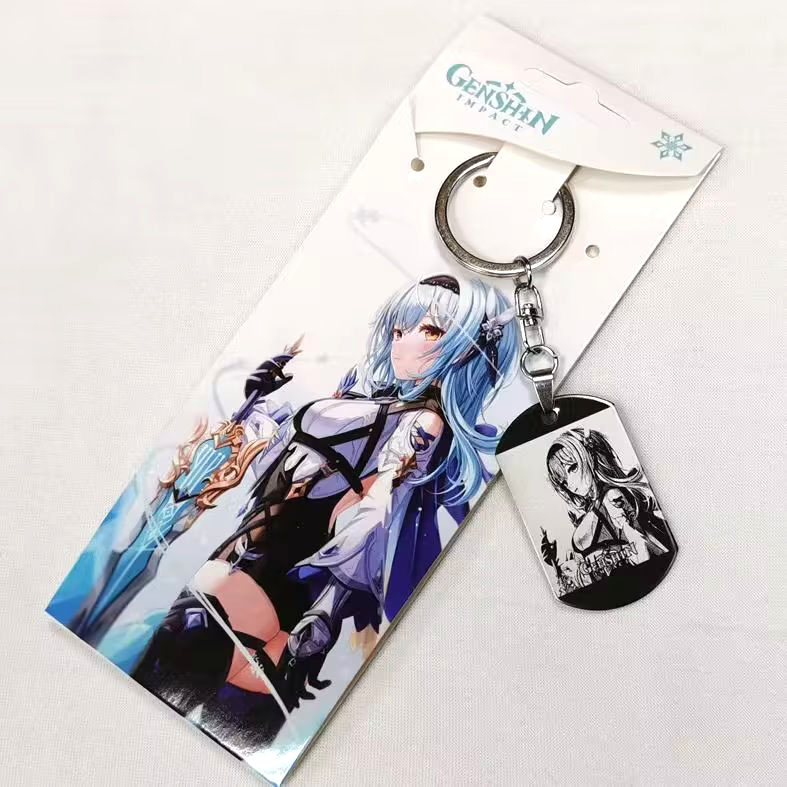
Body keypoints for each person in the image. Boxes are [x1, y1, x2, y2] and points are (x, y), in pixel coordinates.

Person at [133, 273, 517, 749]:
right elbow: (281, 467)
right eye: (399, 329)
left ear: (464, 349)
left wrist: (327, 612)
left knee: (142, 718)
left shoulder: (422, 423)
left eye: (430, 330)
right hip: (269, 624)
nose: (401, 343)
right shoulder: (371, 402)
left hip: (248, 593)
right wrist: (256, 400)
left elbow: (375, 514)